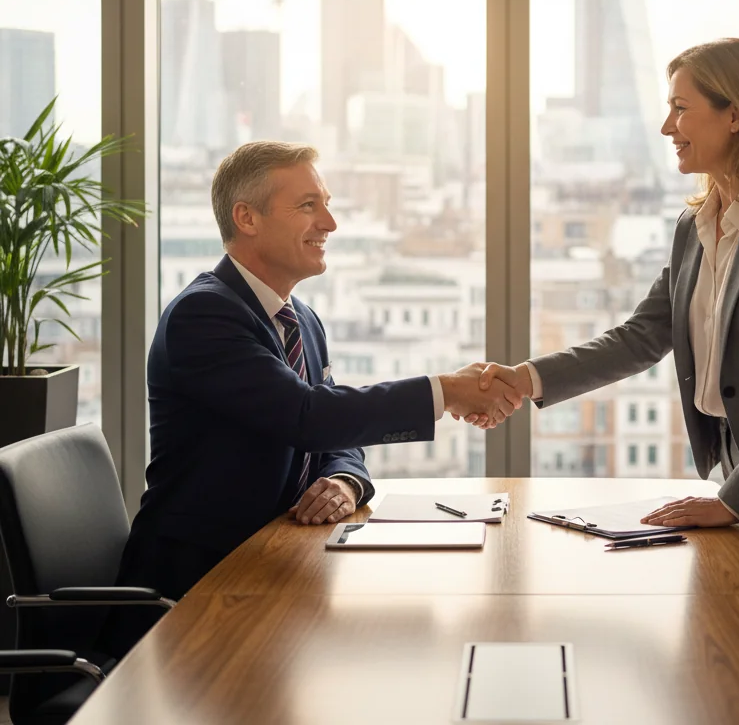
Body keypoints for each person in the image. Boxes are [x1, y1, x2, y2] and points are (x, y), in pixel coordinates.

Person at [471, 38, 739, 601]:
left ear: (735, 114)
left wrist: (732, 499)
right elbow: (641, 337)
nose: (668, 126)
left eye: (681, 107)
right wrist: (525, 379)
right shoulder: (694, 228)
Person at [114, 141, 521, 611]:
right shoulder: (203, 315)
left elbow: (336, 436)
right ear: (246, 218)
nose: (329, 223)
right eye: (309, 206)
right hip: (196, 588)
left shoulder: (301, 318)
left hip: (279, 568)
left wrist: (345, 481)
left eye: (326, 205)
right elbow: (309, 416)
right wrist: (446, 392)